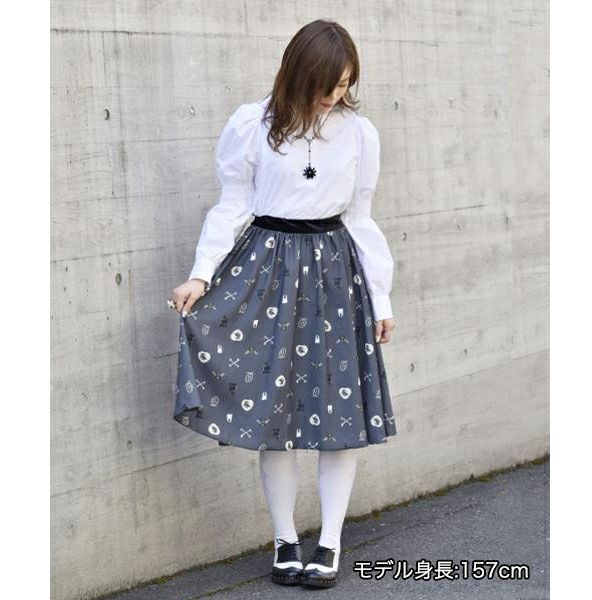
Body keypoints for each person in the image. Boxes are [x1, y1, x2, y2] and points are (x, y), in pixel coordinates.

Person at [169, 19, 397, 589]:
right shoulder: (253, 124)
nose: (335, 95)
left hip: (335, 274)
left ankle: (330, 542)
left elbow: (361, 217)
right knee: (275, 412)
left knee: (338, 412)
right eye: (326, 84)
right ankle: (285, 540)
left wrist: (381, 297)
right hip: (266, 269)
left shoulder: (359, 134)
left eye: (344, 84)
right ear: (298, 73)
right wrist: (201, 274)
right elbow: (232, 204)